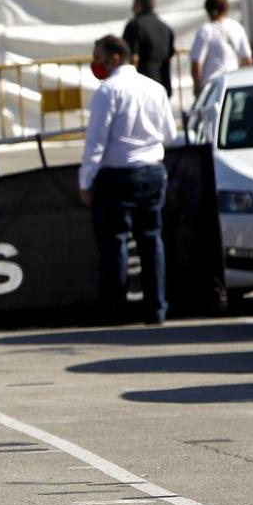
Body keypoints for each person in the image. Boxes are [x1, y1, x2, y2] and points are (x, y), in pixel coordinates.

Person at [79, 34, 178, 325]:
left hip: (116, 176)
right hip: (152, 171)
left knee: (114, 244)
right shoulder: (155, 88)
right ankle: (156, 309)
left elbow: (96, 141)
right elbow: (170, 135)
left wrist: (86, 179)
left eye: (98, 57)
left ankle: (113, 311)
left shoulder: (108, 91)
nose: (95, 63)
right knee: (151, 239)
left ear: (115, 57)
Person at [190, 0, 252, 96]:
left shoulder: (205, 30)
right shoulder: (237, 27)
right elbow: (247, 59)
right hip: (235, 83)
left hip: (212, 86)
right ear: (226, 8)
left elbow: (196, 62)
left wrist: (197, 86)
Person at [122, 0, 175, 95]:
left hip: (141, 90)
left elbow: (132, 59)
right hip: (163, 87)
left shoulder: (134, 26)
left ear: (138, 3)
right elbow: (169, 58)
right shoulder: (166, 28)